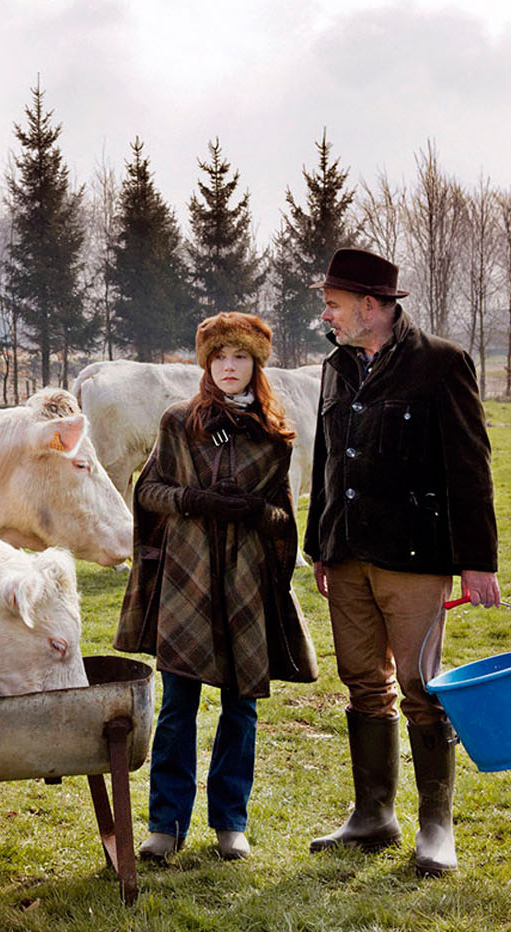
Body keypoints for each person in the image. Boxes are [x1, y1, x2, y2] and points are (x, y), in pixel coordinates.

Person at [304, 247, 500, 878]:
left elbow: (470, 468)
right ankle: (373, 815)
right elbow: (324, 460)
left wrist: (477, 560)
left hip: (415, 555)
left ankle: (435, 826)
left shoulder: (441, 364)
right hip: (347, 551)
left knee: (419, 688)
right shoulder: (336, 366)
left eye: (333, 304)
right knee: (364, 682)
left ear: (371, 305)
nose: (326, 315)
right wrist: (319, 544)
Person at [117, 312, 318, 863]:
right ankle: (166, 823)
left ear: (256, 365)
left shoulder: (275, 437)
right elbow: (149, 492)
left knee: (241, 707)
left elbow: (284, 517)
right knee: (178, 705)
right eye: (220, 358)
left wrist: (256, 510)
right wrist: (196, 501)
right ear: (207, 364)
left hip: (246, 582)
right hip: (188, 579)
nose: (229, 368)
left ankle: (231, 822)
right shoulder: (178, 423)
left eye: (241, 358)